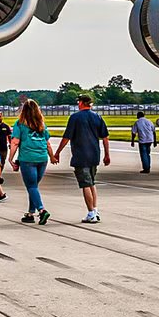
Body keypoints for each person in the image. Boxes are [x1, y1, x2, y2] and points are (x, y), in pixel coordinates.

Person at [52, 94, 111, 223]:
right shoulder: (97, 117)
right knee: (91, 183)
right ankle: (95, 209)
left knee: (85, 184)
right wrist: (107, 155)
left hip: (80, 156)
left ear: (82, 103)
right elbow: (105, 138)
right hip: (94, 155)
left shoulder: (75, 118)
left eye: (78, 101)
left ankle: (91, 213)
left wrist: (57, 153)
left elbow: (66, 137)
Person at [7, 98, 52, 224]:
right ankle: (30, 213)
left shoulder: (20, 123)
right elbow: (47, 143)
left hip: (28, 158)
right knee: (34, 187)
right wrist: (52, 156)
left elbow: (15, 142)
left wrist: (10, 159)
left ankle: (42, 210)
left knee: (31, 186)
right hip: (42, 158)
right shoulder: (42, 124)